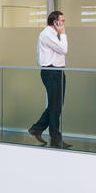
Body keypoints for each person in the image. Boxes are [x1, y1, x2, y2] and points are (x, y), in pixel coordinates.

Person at [29, 10, 70, 149]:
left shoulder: (52, 34)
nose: (64, 23)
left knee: (56, 105)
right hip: (51, 72)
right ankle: (55, 138)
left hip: (57, 71)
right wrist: (63, 33)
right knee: (55, 106)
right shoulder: (47, 34)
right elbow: (64, 49)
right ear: (55, 22)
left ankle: (37, 128)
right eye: (62, 21)